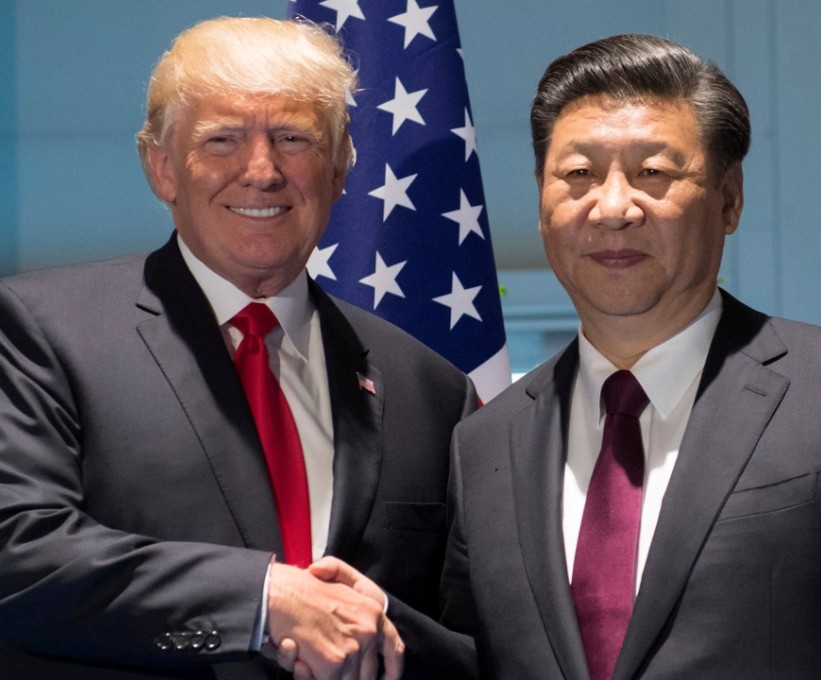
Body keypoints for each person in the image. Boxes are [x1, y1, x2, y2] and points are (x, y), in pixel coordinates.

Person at [439, 33, 821, 679]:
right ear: (542, 203)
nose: (614, 206)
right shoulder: (485, 441)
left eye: (652, 172)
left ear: (729, 199)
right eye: (578, 175)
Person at [0, 16, 476, 680]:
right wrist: (262, 598)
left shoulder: (432, 389)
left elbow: (480, 644)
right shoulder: (40, 330)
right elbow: (17, 554)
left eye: (294, 139)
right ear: (162, 168)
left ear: (341, 169)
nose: (262, 171)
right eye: (222, 140)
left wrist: (381, 635)